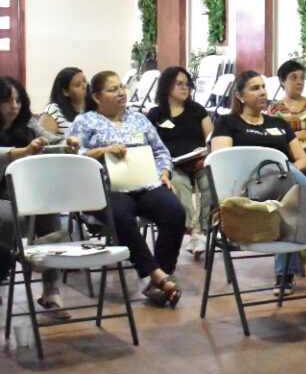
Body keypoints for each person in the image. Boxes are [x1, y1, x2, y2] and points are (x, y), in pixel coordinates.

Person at [69, 71, 186, 307]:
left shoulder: (139, 119)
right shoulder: (85, 122)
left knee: (175, 211)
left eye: (121, 87)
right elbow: (72, 156)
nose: (121, 93)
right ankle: (156, 275)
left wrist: (164, 173)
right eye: (113, 89)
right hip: (107, 188)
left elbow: (161, 152)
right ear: (97, 97)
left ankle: (161, 277)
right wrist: (102, 151)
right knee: (121, 216)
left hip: (145, 184)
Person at [211, 70, 306, 293]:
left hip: (279, 189)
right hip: (244, 191)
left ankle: (284, 277)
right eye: (255, 88)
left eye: (264, 87)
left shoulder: (278, 123)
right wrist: (277, 172)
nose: (263, 92)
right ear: (239, 96)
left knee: (287, 193)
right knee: (283, 179)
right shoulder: (227, 123)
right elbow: (222, 163)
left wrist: (282, 175)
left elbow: (302, 159)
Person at [0, 76, 77, 317]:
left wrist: (68, 142)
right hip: (3, 196)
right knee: (6, 218)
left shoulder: (29, 124)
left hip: (27, 193)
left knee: (49, 210)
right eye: (7, 101)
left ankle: (51, 289)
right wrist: (22, 152)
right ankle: (7, 268)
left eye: (18, 101)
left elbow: (54, 140)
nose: (14, 106)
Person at [147, 66, 213, 259]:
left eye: (187, 84)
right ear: (167, 87)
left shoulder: (197, 110)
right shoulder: (156, 114)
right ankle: (194, 231)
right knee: (177, 183)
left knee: (210, 182)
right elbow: (149, 144)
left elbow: (211, 138)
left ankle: (204, 230)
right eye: (179, 84)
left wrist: (205, 155)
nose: (185, 88)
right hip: (171, 165)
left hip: (198, 161)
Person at [267, 59, 306, 186]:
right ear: (282, 81)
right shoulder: (275, 108)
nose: (300, 82)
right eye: (294, 78)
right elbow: (276, 136)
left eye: (302, 78)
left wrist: (296, 135)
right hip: (289, 152)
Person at [39, 66, 88, 136]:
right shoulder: (53, 110)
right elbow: (45, 140)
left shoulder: (92, 108)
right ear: (65, 92)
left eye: (85, 81)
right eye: (77, 85)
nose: (84, 86)